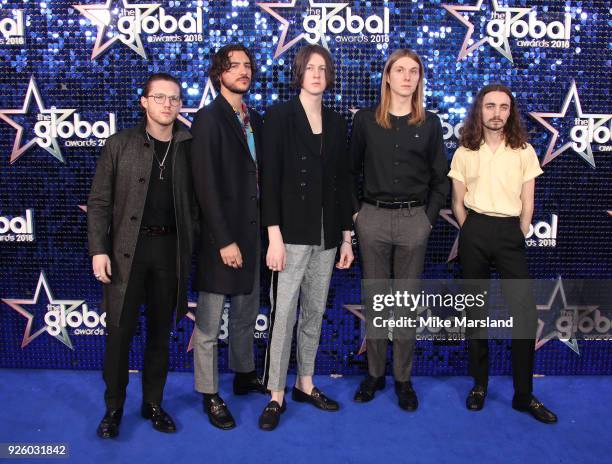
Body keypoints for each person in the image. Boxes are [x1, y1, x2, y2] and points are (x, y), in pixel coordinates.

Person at [88, 73, 195, 438]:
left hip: (170, 252)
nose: (168, 104)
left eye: (175, 99)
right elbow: (99, 203)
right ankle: (114, 408)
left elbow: (199, 204)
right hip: (125, 253)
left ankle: (153, 404)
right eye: (160, 97)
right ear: (144, 102)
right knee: (118, 334)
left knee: (160, 335)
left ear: (180, 105)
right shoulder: (120, 144)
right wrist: (99, 250)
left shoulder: (188, 145)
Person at [448, 83, 557, 423]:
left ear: (511, 112)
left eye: (503, 107)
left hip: (510, 232)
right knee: (475, 313)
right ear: (479, 110)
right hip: (475, 230)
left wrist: (521, 228)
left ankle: (523, 395)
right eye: (490, 106)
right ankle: (479, 385)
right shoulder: (465, 150)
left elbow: (529, 198)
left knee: (524, 315)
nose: (496, 113)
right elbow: (457, 199)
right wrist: (471, 230)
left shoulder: (523, 150)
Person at [258, 45, 354, 431]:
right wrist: (274, 237)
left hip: (328, 236)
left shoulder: (335, 121)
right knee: (283, 315)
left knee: (314, 312)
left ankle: (305, 382)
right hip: (291, 235)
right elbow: (271, 180)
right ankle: (276, 393)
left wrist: (347, 237)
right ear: (298, 73)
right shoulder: (279, 117)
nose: (317, 73)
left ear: (329, 76)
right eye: (309, 67)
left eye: (322, 68)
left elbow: (344, 182)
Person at [350, 49, 449, 411]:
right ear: (388, 76)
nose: (407, 77)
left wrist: (428, 219)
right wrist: (357, 215)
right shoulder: (365, 121)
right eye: (400, 70)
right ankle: (375, 374)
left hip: (414, 221)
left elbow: (442, 179)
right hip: (372, 218)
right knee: (376, 301)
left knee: (405, 305)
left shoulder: (430, 123)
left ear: (419, 79)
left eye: (414, 71)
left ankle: (403, 379)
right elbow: (349, 172)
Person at [190, 44, 264, 430]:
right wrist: (223, 240)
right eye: (234, 66)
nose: (243, 71)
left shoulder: (252, 118)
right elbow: (205, 185)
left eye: (247, 66)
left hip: (252, 237)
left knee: (246, 315)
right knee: (208, 322)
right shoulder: (208, 119)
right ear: (219, 73)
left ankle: (244, 372)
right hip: (224, 240)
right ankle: (209, 392)